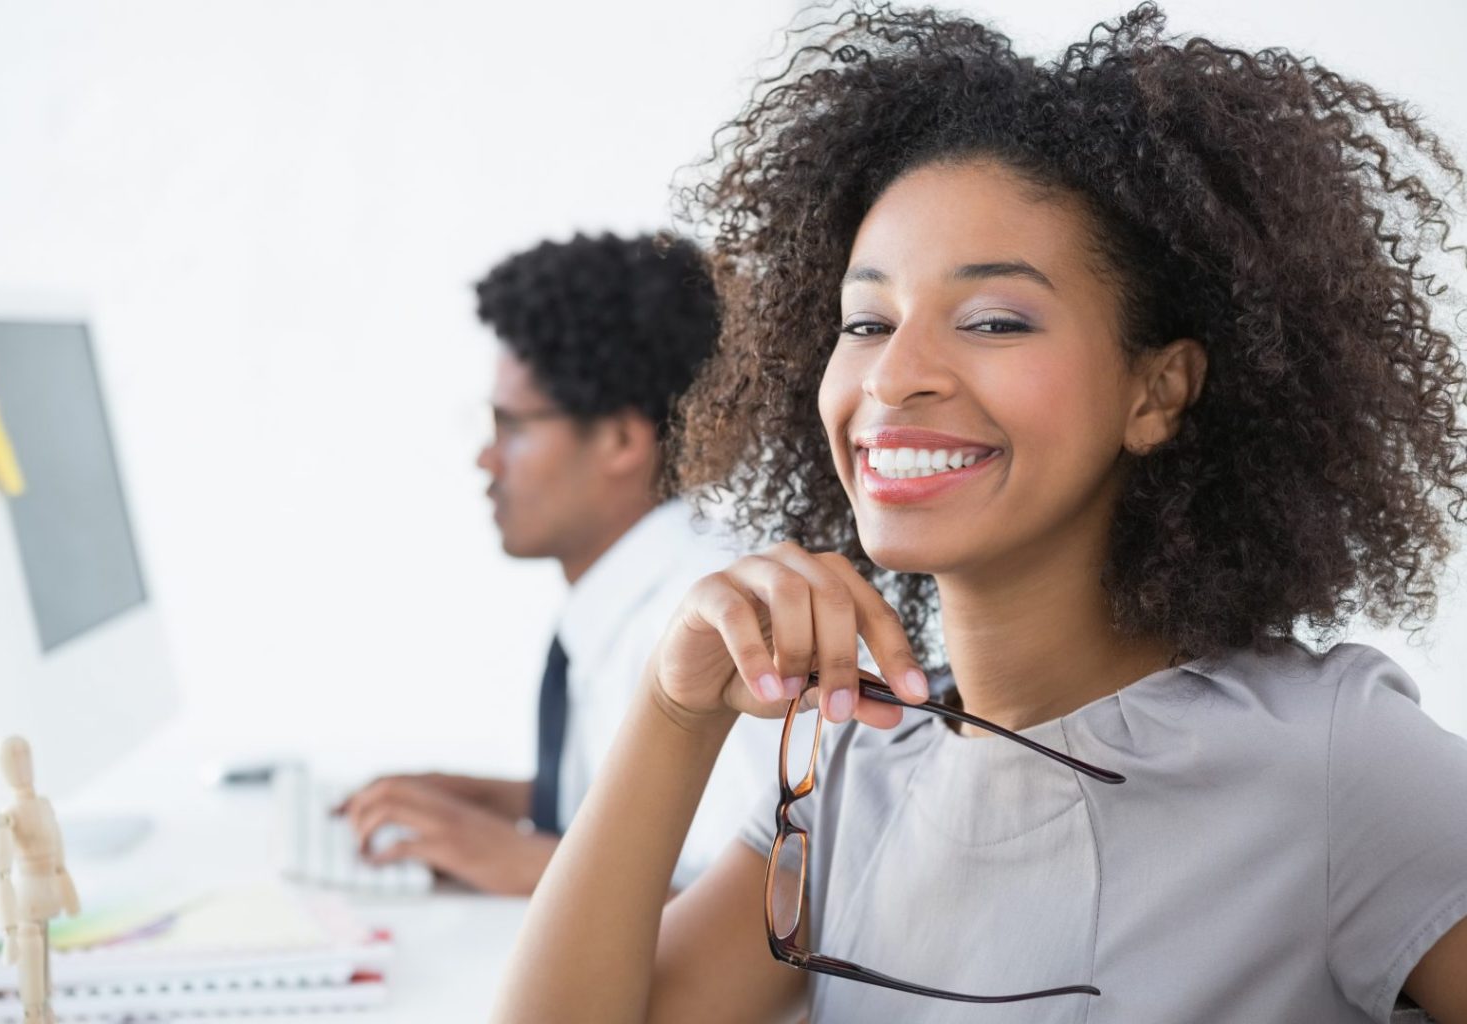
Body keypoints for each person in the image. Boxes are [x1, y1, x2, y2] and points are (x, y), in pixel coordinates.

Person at [491, 5, 1467, 1023]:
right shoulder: (852, 767)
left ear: (1157, 392)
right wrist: (674, 713)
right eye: (866, 321)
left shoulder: (1333, 762)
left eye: (994, 320)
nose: (896, 375)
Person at [339, 232, 792, 896]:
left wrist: (524, 862)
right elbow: (668, 817)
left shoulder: (718, 624)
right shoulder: (628, 596)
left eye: (513, 427)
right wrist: (510, 804)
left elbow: (768, 914)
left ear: (619, 441)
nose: (486, 459)